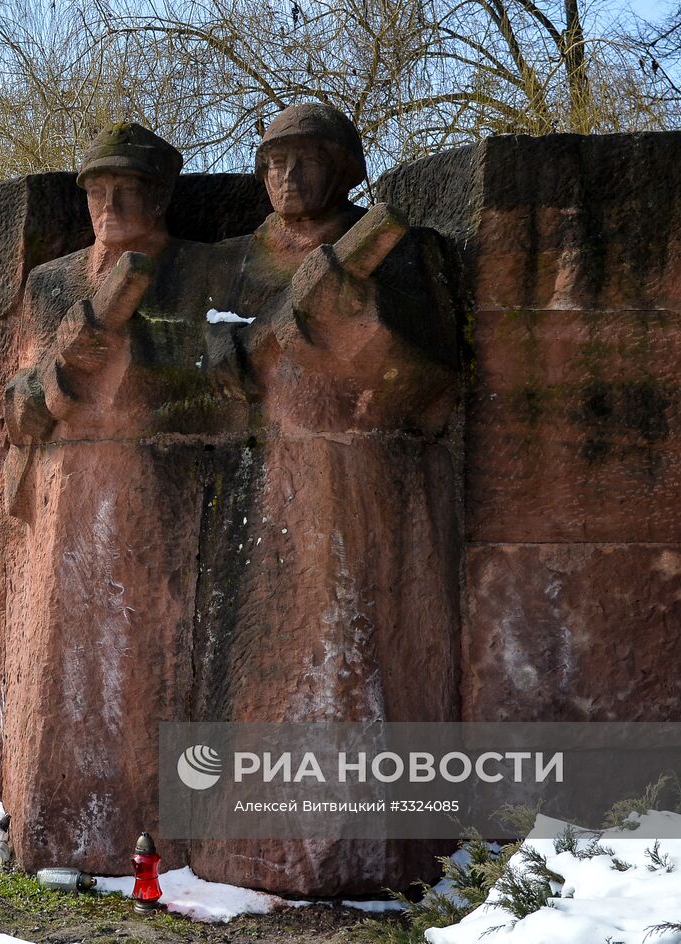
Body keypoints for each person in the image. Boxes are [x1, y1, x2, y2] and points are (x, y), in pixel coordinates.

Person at [188, 103, 463, 895]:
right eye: (274, 162)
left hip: (362, 484)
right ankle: (246, 843)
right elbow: (204, 358)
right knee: (258, 657)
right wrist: (224, 351)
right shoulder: (235, 262)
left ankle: (369, 848)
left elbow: (433, 380)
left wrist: (358, 320)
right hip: (256, 492)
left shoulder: (392, 253)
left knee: (353, 661)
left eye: (307, 159)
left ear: (346, 168)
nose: (288, 175)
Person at [0, 124, 240, 876]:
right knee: (66, 672)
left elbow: (232, 383)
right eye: (96, 191)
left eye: (126, 188)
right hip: (66, 496)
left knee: (151, 663)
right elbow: (14, 404)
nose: (108, 203)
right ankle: (59, 827)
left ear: (161, 195)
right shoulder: (52, 282)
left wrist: (141, 361)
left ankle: (157, 827)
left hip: (166, 496)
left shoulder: (206, 272)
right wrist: (56, 379)